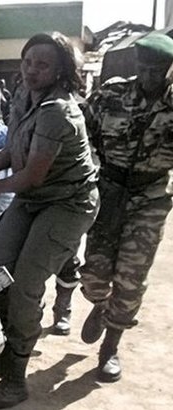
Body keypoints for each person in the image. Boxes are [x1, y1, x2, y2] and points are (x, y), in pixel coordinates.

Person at [0, 32, 98, 408]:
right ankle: (24, 326)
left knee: (24, 287)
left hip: (67, 203)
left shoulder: (58, 111)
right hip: (32, 199)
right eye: (28, 61)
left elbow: (32, 174)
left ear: (61, 71)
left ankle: (14, 378)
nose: (32, 70)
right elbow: (7, 156)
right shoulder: (22, 97)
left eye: (43, 64)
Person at [79, 32, 173, 383]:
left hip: (150, 197)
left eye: (158, 70)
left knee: (131, 278)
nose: (151, 76)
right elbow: (82, 134)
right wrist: (90, 171)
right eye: (146, 69)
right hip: (109, 190)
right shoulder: (110, 94)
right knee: (92, 273)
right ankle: (100, 304)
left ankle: (110, 348)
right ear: (137, 65)